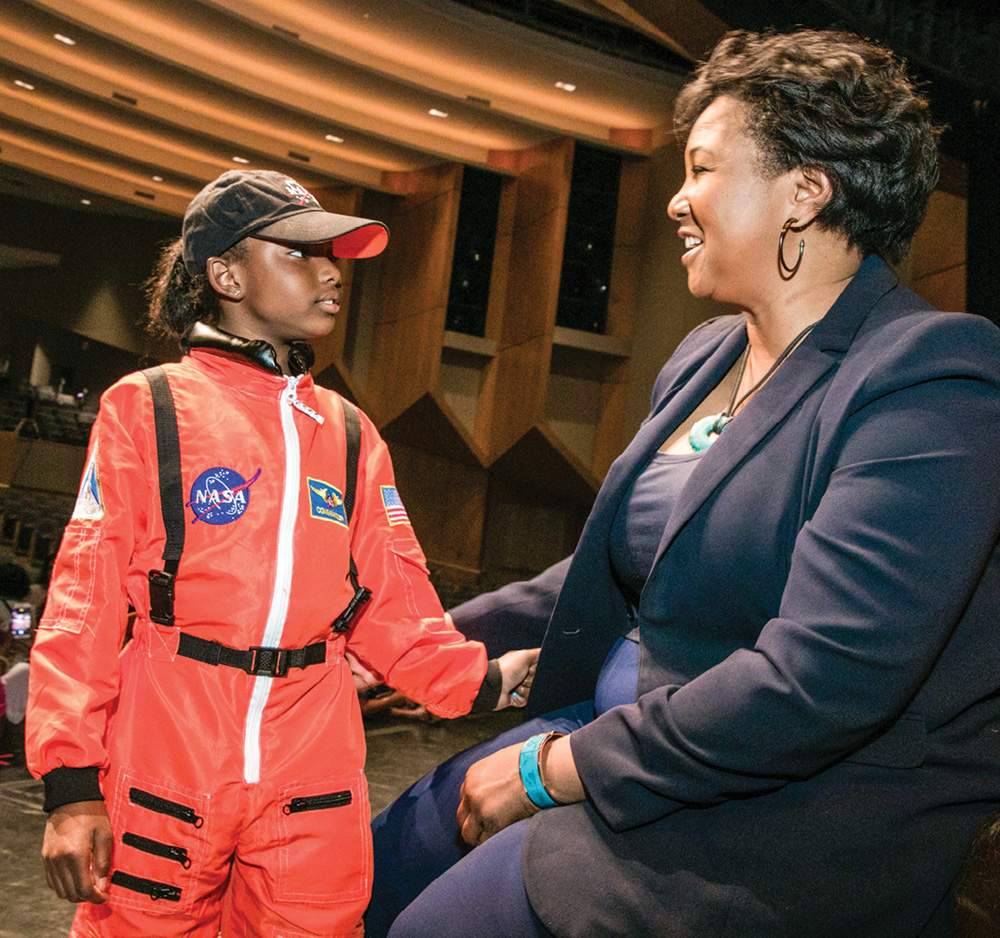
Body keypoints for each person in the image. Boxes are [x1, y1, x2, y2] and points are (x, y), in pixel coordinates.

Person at [367, 28, 1000, 938]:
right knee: (370, 863)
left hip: (776, 810)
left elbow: (819, 684)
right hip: (617, 731)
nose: (677, 199)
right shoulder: (706, 356)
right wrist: (415, 645)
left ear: (804, 193)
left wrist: (553, 770)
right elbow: (611, 567)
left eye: (703, 168)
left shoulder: (932, 376)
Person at [25, 169, 538, 938]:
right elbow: (84, 600)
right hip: (168, 752)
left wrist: (481, 680)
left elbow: (393, 604)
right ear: (226, 274)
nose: (331, 272)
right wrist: (70, 786)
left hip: (313, 771)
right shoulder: (149, 406)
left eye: (331, 256)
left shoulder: (353, 433)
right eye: (299, 254)